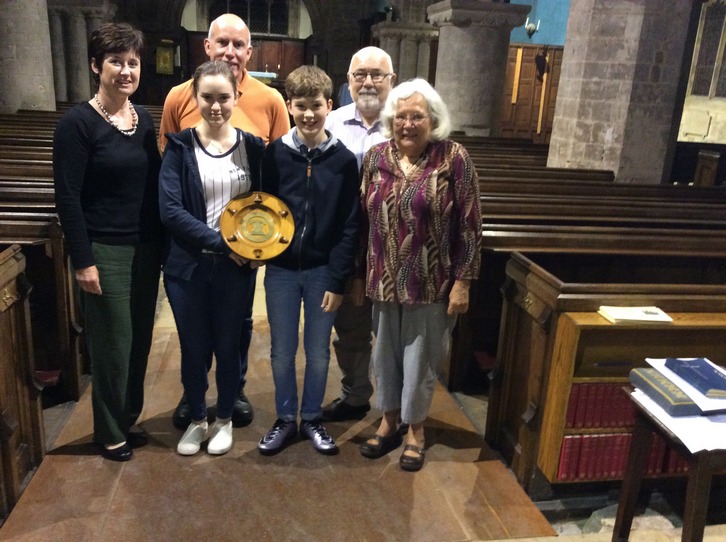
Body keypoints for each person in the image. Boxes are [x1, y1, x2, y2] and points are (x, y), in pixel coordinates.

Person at [159, 13, 290, 431]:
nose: (230, 51)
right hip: (193, 253)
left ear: (249, 52)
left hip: (242, 256)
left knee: (237, 331)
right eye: (223, 43)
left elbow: (274, 184)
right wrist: (222, 242)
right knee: (194, 335)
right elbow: (171, 186)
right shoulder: (177, 99)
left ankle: (234, 395)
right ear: (207, 46)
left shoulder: (270, 101)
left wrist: (259, 246)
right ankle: (194, 398)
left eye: (238, 44)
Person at [356, 78, 482, 471]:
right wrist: (358, 274)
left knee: (421, 360)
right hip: (382, 277)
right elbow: (362, 220)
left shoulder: (453, 157)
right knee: (384, 355)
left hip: (432, 281)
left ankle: (415, 429)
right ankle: (389, 419)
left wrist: (463, 281)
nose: (407, 124)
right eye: (401, 116)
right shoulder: (375, 157)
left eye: (417, 116)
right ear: (391, 120)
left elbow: (470, 223)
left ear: (433, 120)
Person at [53, 22, 162, 462]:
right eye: (116, 61)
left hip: (145, 249)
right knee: (113, 345)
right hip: (105, 250)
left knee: (139, 342)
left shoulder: (143, 120)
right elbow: (67, 197)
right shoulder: (77, 124)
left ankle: (127, 418)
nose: (126, 70)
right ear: (97, 66)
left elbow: (152, 187)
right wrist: (83, 261)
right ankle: (109, 430)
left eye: (132, 62)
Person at [159, 60, 266, 456]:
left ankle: (223, 419)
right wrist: (225, 244)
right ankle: (196, 419)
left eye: (224, 97)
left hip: (235, 270)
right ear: (195, 96)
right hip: (187, 266)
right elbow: (171, 211)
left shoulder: (253, 148)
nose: (216, 106)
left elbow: (266, 206)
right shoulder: (180, 146)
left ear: (237, 96)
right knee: (193, 345)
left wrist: (259, 249)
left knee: (229, 343)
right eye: (207, 97)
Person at [257, 65, 361, 455]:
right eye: (300, 106)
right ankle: (286, 418)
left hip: (322, 271)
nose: (308, 114)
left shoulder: (343, 160)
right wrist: (259, 251)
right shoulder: (275, 154)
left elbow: (349, 224)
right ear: (289, 106)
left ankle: (313, 417)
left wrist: (337, 279)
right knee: (282, 351)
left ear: (329, 105)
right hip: (282, 270)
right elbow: (262, 209)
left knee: (318, 352)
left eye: (316, 105)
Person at [321, 46, 396, 422]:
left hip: (393, 247)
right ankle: (355, 395)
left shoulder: (405, 124)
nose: (368, 82)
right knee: (350, 327)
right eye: (360, 74)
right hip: (345, 245)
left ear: (391, 81)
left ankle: (396, 407)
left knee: (393, 332)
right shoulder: (329, 124)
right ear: (348, 81)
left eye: (377, 75)